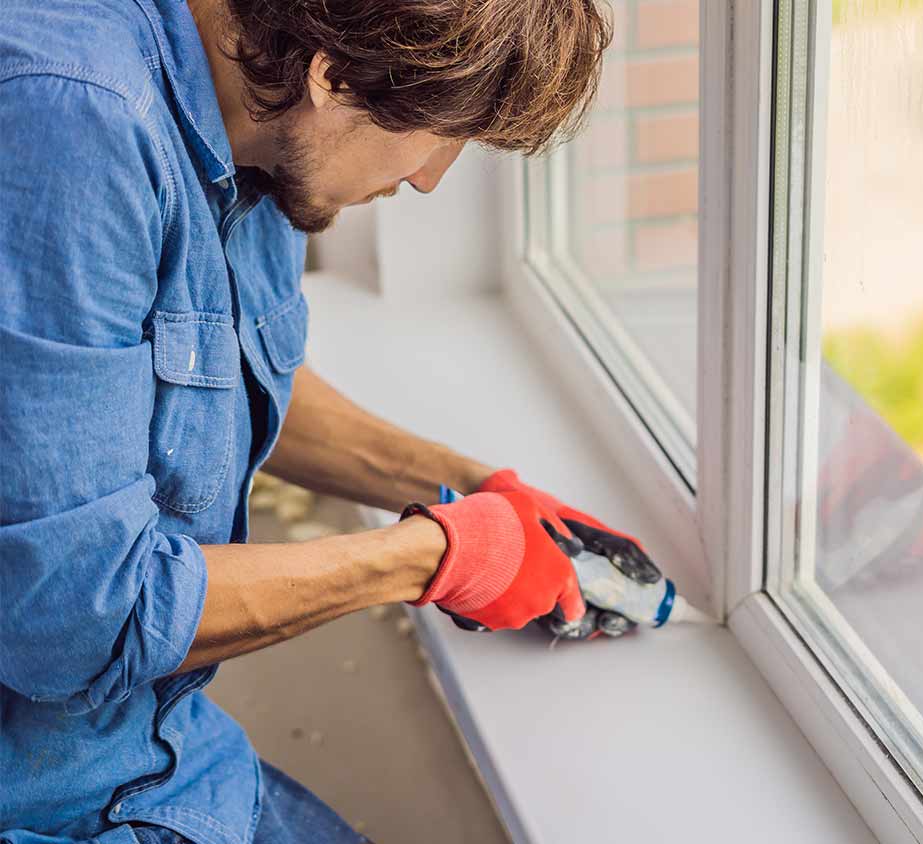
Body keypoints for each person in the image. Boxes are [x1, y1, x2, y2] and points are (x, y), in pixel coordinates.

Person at [0, 1, 634, 841]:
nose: (429, 177)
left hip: (163, 757)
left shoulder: (260, 116)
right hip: (48, 800)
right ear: (333, 75)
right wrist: (433, 556)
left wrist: (471, 484)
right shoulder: (72, 125)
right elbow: (81, 618)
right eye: (440, 136)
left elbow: (199, 376)